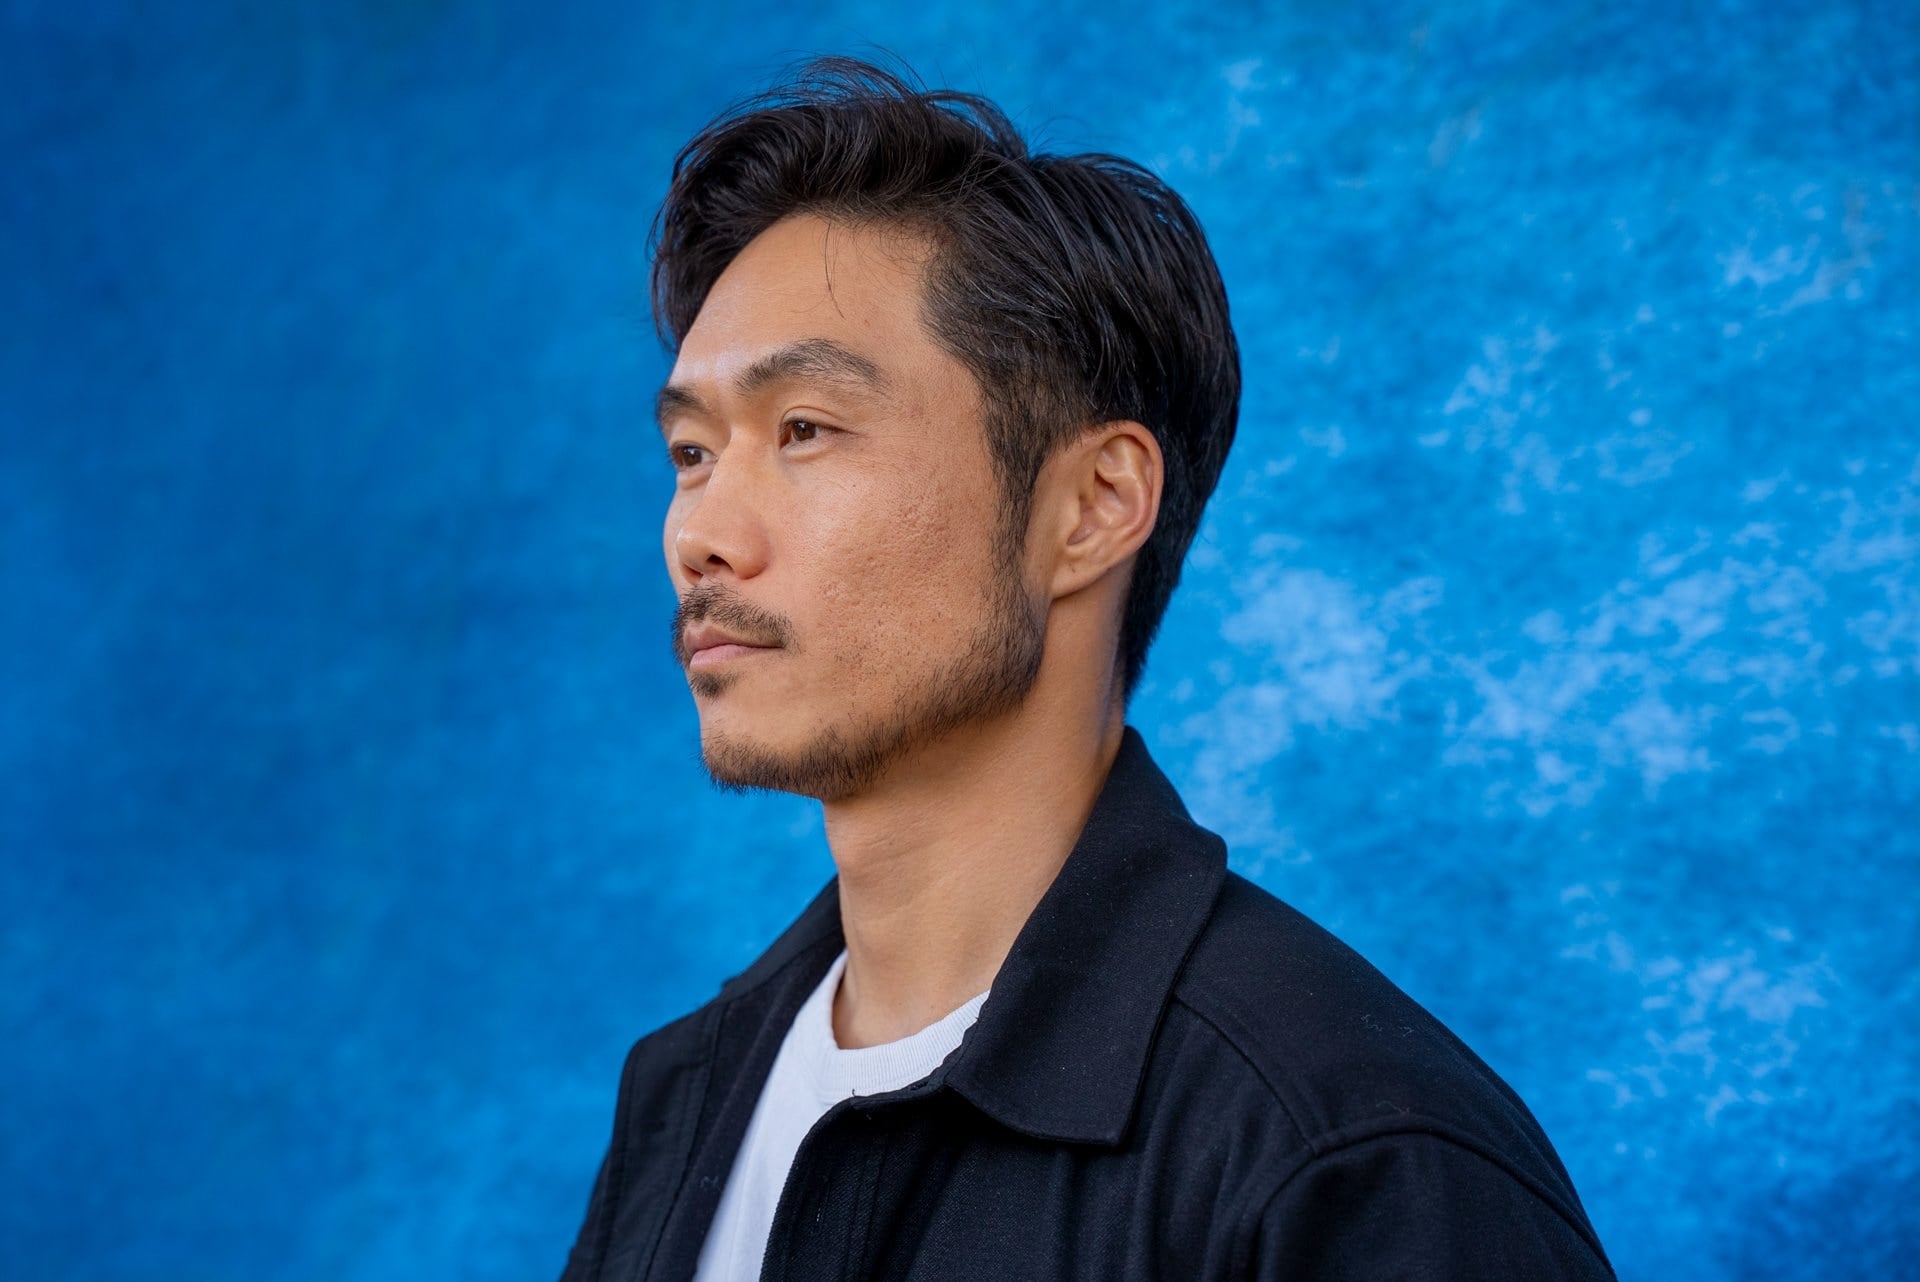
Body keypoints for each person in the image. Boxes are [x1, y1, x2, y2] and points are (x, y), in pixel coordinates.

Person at [559, 57, 1614, 1282]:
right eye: (692, 451)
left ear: (1095, 505)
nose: (700, 532)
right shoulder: (683, 1096)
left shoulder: (1347, 1151)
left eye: (805, 428)